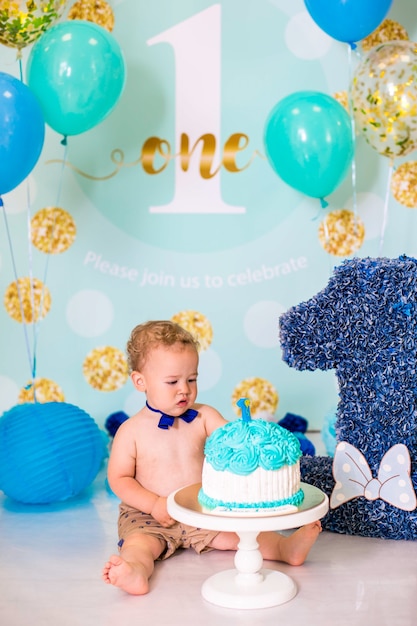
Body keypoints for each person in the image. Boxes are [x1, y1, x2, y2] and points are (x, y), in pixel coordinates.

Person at [102, 320, 322, 595]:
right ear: (140, 381)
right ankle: (134, 571)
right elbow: (119, 479)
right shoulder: (131, 430)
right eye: (172, 382)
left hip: (199, 510)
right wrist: (154, 503)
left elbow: (233, 439)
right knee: (140, 546)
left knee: (241, 537)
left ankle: (284, 548)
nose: (184, 389)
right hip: (148, 515)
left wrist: (257, 439)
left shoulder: (204, 416)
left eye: (191, 379)